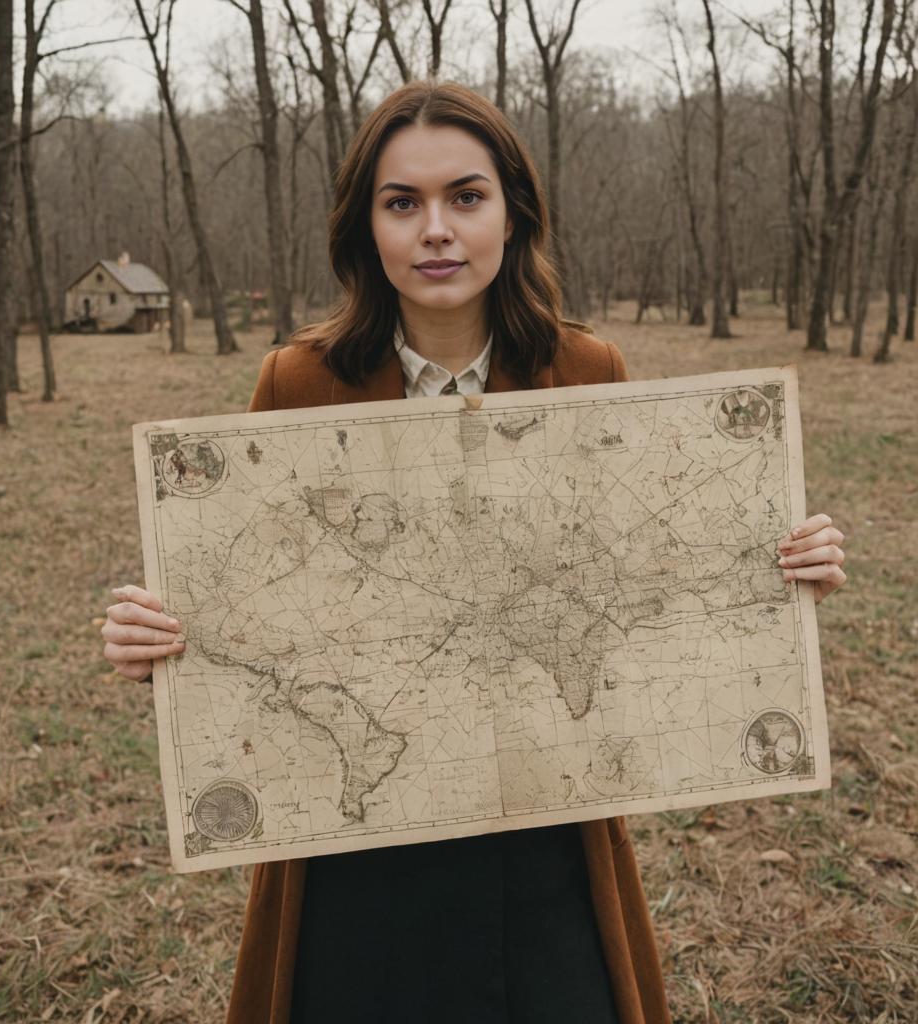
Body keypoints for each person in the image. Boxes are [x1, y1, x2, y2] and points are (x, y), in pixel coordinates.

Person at [102, 81, 847, 1023]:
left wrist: (780, 567)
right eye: (402, 203)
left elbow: (644, 573)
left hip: (547, 840)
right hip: (357, 839)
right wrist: (162, 644)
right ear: (366, 227)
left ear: (512, 213)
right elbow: (246, 602)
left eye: (466, 196)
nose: (436, 230)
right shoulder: (296, 384)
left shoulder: (588, 373)